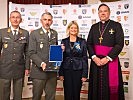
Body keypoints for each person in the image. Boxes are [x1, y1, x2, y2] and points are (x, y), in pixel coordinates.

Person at [87, 4, 125, 100]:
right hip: (96, 62)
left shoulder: (116, 26)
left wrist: (107, 58)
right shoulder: (94, 27)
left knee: (110, 88)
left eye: (105, 11)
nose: (103, 13)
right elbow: (89, 44)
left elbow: (119, 44)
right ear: (98, 13)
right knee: (96, 86)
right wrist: (94, 57)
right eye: (101, 11)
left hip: (110, 61)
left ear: (109, 12)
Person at [0, 11, 30, 100]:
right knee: (4, 94)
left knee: (18, 94)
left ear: (21, 20)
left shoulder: (25, 33)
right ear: (10, 19)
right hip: (4, 67)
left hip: (19, 67)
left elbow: (27, 52)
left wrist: (27, 67)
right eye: (13, 17)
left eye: (17, 17)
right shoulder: (2, 32)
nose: (15, 19)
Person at [28, 12, 58, 100]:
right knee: (36, 97)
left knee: (51, 97)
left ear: (52, 21)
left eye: (49, 20)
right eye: (45, 20)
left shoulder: (54, 33)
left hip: (51, 73)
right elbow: (31, 52)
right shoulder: (34, 34)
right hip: (38, 72)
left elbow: (54, 51)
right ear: (41, 21)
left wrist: (60, 50)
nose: (47, 22)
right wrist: (41, 63)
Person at [59, 21, 88, 100]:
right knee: (67, 92)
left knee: (76, 92)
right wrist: (61, 73)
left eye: (75, 28)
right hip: (66, 70)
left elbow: (85, 57)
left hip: (78, 69)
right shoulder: (64, 41)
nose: (73, 29)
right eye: (72, 28)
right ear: (68, 29)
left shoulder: (82, 41)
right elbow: (62, 58)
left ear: (77, 30)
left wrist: (85, 74)